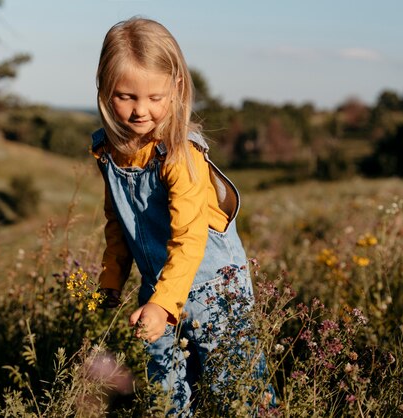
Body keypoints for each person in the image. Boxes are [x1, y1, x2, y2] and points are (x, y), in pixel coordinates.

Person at [91, 17, 265, 416]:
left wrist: (163, 305)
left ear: (177, 90)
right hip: (159, 287)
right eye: (125, 96)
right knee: (165, 390)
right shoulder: (109, 152)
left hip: (215, 288)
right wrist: (111, 278)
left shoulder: (180, 154)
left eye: (155, 97)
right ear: (103, 90)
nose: (140, 111)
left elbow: (189, 237)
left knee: (236, 389)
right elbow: (117, 221)